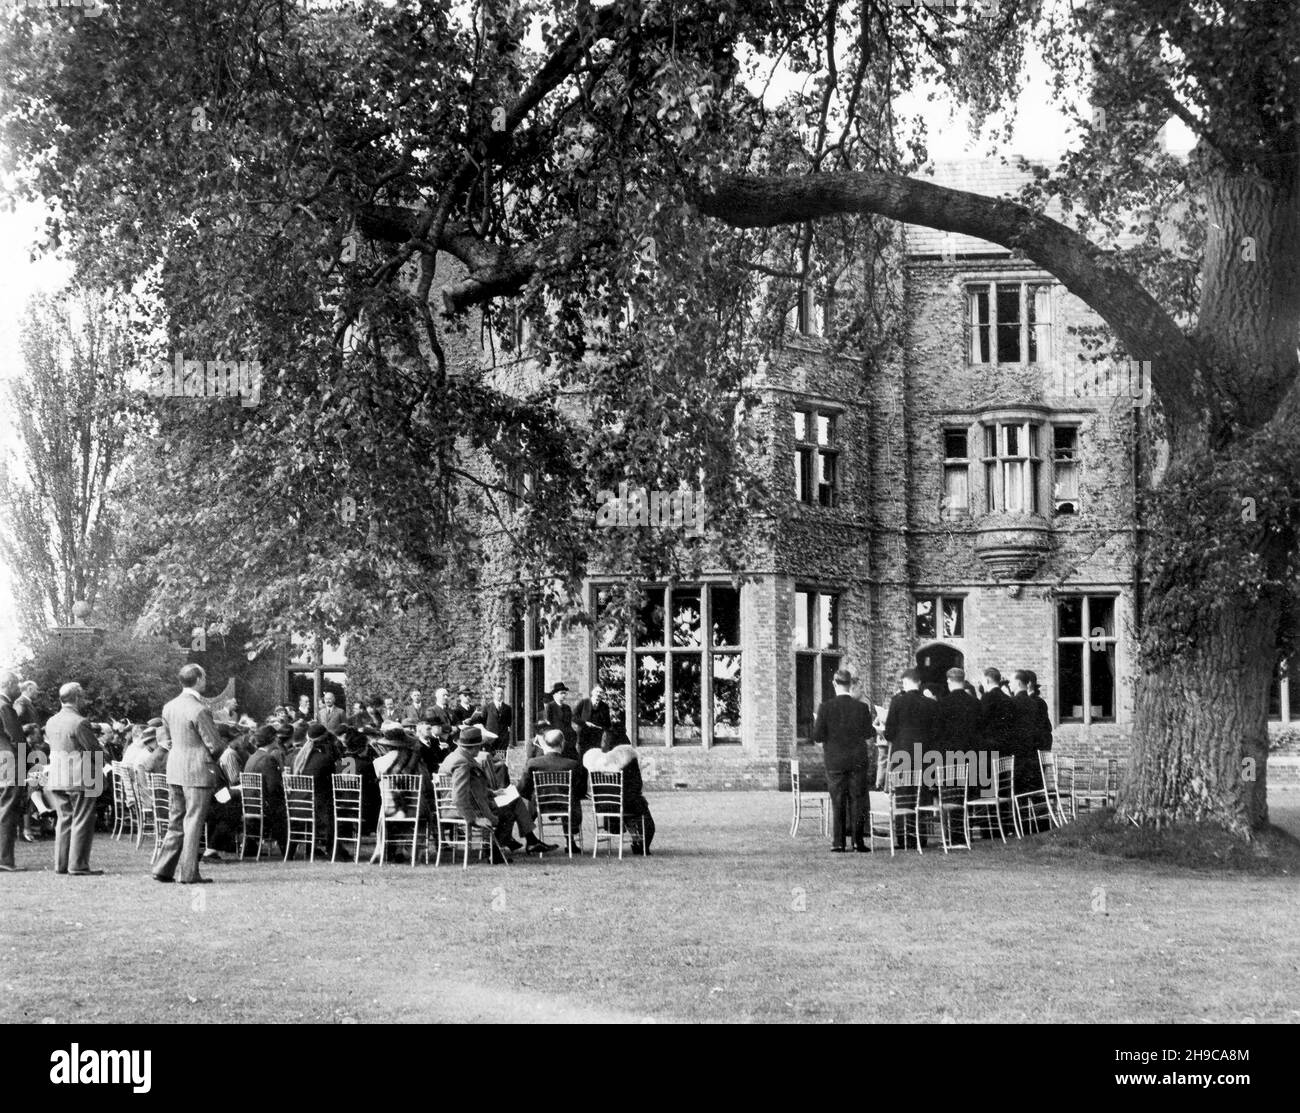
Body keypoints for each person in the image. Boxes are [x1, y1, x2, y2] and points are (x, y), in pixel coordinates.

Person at [153, 664, 226, 884]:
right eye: (204, 677)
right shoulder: (199, 709)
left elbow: (167, 737)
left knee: (176, 820)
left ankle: (163, 868)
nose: (206, 680)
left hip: (175, 767)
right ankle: (188, 873)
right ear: (198, 679)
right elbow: (214, 744)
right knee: (193, 821)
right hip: (197, 769)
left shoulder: (169, 707)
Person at [440, 725, 555, 860]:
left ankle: (524, 842)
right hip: (469, 808)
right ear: (475, 746)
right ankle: (495, 850)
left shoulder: (455, 756)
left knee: (513, 799)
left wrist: (494, 793)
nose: (482, 748)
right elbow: (459, 797)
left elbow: (472, 787)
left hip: (470, 803)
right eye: (480, 745)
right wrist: (473, 819)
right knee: (508, 813)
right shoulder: (463, 763)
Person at [811, 668, 875, 854]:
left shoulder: (825, 707)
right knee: (857, 800)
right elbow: (868, 733)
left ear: (834, 683)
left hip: (835, 761)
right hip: (857, 760)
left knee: (838, 800)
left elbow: (817, 736)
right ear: (851, 684)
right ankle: (858, 841)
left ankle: (839, 842)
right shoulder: (861, 708)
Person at [45, 682, 104, 876]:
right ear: (77, 698)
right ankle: (77, 865)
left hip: (57, 776)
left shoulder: (51, 721)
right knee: (82, 819)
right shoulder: (80, 722)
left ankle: (61, 864)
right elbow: (94, 750)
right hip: (79, 777)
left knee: (64, 820)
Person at [583, 729, 655, 854]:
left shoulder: (595, 762)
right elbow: (636, 785)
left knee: (628, 804)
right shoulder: (629, 760)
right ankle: (641, 844)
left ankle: (628, 834)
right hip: (626, 803)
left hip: (603, 806)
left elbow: (590, 788)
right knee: (639, 809)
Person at [517, 728, 587, 853]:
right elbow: (580, 790)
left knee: (529, 801)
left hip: (540, 804)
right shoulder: (573, 765)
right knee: (571, 798)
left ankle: (531, 840)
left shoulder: (533, 763)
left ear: (545, 743)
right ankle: (570, 842)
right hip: (567, 805)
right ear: (562, 744)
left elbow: (523, 788)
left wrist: (535, 795)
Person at [882, 669, 938, 787]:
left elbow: (889, 733)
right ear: (919, 682)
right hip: (925, 754)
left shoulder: (897, 702)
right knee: (923, 796)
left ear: (905, 683)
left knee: (904, 795)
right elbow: (936, 732)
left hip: (902, 754)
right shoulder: (931, 704)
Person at [0, 668, 24, 871]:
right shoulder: (5, 707)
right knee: (8, 809)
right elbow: (16, 738)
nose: (19, 688)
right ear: (9, 685)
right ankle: (4, 860)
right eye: (17, 684)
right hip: (10, 763)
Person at [572, 685, 612, 758]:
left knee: (595, 757)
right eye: (597, 691)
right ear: (592, 692)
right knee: (582, 757)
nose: (598, 694)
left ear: (603, 695)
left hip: (597, 737)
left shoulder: (605, 706)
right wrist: (585, 723)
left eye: (601, 692)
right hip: (583, 736)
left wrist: (602, 728)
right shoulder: (584, 702)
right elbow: (573, 717)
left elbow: (608, 724)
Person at [539, 682, 576, 758]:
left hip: (567, 739)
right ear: (555, 694)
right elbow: (547, 725)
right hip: (555, 739)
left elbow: (569, 725)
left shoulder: (567, 708)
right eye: (561, 693)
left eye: (565, 693)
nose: (564, 695)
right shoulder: (550, 707)